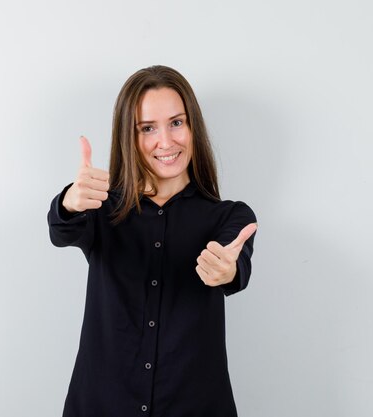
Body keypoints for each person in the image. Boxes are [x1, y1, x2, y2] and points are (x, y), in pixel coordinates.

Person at [47, 65, 257, 417]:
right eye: (147, 128)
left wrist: (225, 268)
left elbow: (234, 267)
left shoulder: (230, 217)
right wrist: (69, 201)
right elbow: (61, 230)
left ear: (193, 127)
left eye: (176, 122)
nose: (166, 141)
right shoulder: (102, 208)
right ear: (130, 137)